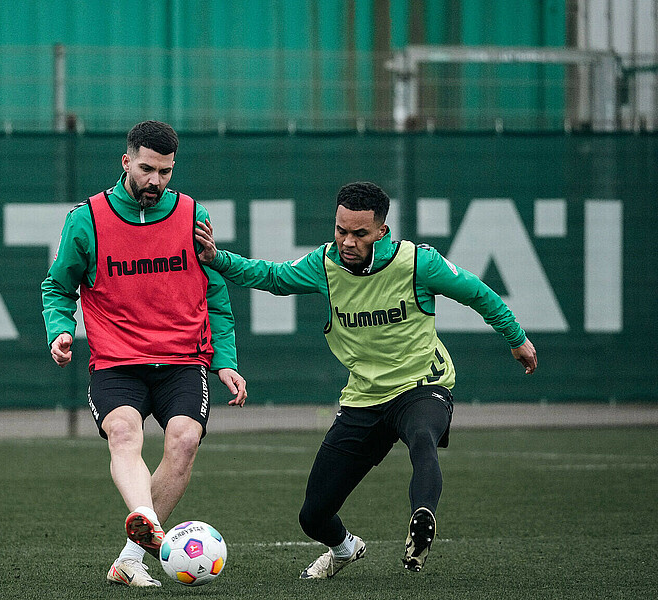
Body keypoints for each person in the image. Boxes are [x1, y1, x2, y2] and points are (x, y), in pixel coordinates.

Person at [194, 181, 537, 577]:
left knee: (422, 438)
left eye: (359, 233)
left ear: (381, 232)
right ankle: (344, 548)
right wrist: (218, 259)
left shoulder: (417, 263)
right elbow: (270, 276)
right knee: (313, 515)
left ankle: (422, 519)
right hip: (363, 399)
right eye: (341, 230)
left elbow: (477, 293)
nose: (347, 241)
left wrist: (516, 338)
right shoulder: (324, 266)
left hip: (422, 384)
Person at [41, 120, 247, 588]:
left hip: (181, 359)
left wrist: (226, 360)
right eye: (148, 169)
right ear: (126, 161)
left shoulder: (194, 215)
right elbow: (58, 285)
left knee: (184, 442)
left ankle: (131, 556)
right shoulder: (87, 218)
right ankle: (144, 518)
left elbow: (215, 292)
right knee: (123, 432)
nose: (156, 181)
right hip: (117, 359)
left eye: (166, 172)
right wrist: (60, 331)